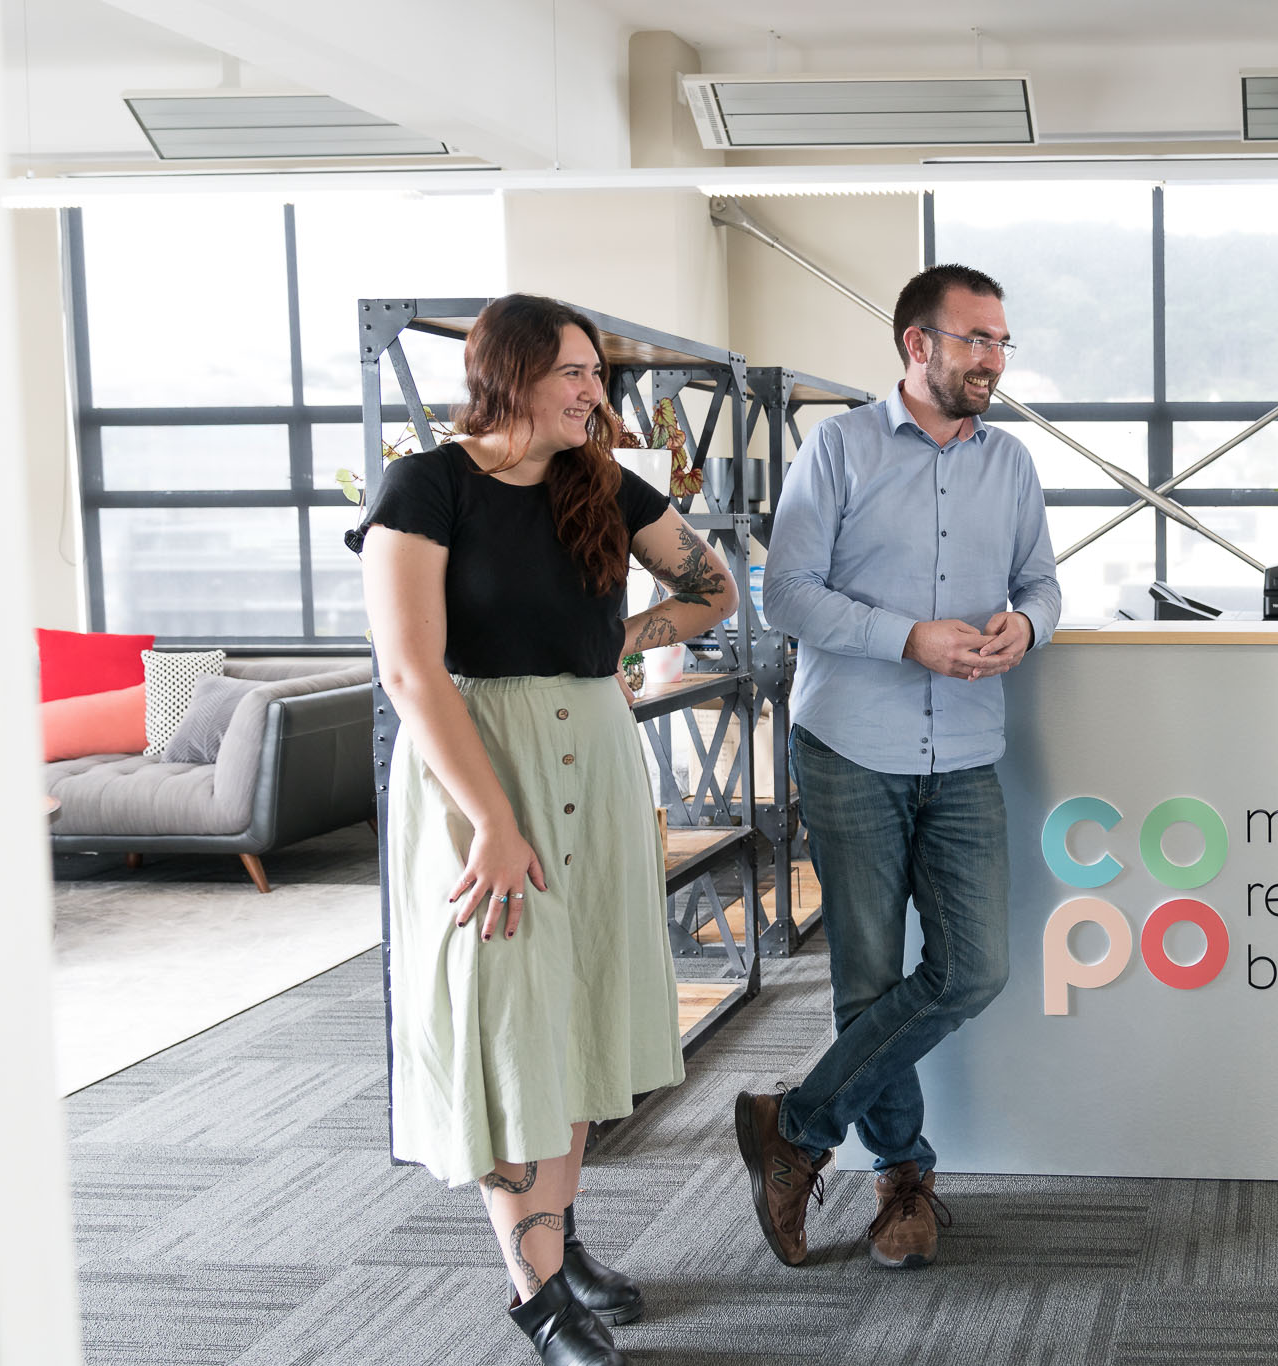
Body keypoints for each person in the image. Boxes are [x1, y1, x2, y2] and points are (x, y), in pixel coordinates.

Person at [352, 293, 738, 1362]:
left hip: (597, 753)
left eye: (596, 375)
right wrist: (491, 821)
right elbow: (409, 671)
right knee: (507, 1015)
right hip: (478, 764)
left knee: (573, 1005)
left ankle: (554, 1250)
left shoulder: (602, 482)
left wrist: (627, 637)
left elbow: (715, 588)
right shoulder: (425, 485)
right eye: (573, 371)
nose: (592, 393)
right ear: (508, 374)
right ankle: (535, 1293)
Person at [733, 264, 1061, 1271]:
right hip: (851, 745)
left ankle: (794, 1124)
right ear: (914, 345)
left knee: (973, 968)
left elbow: (1043, 583)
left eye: (1000, 341)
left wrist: (1025, 625)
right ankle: (903, 1177)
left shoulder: (1009, 464)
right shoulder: (836, 447)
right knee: (867, 976)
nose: (991, 360)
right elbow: (783, 594)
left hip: (964, 747)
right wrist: (901, 637)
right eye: (972, 339)